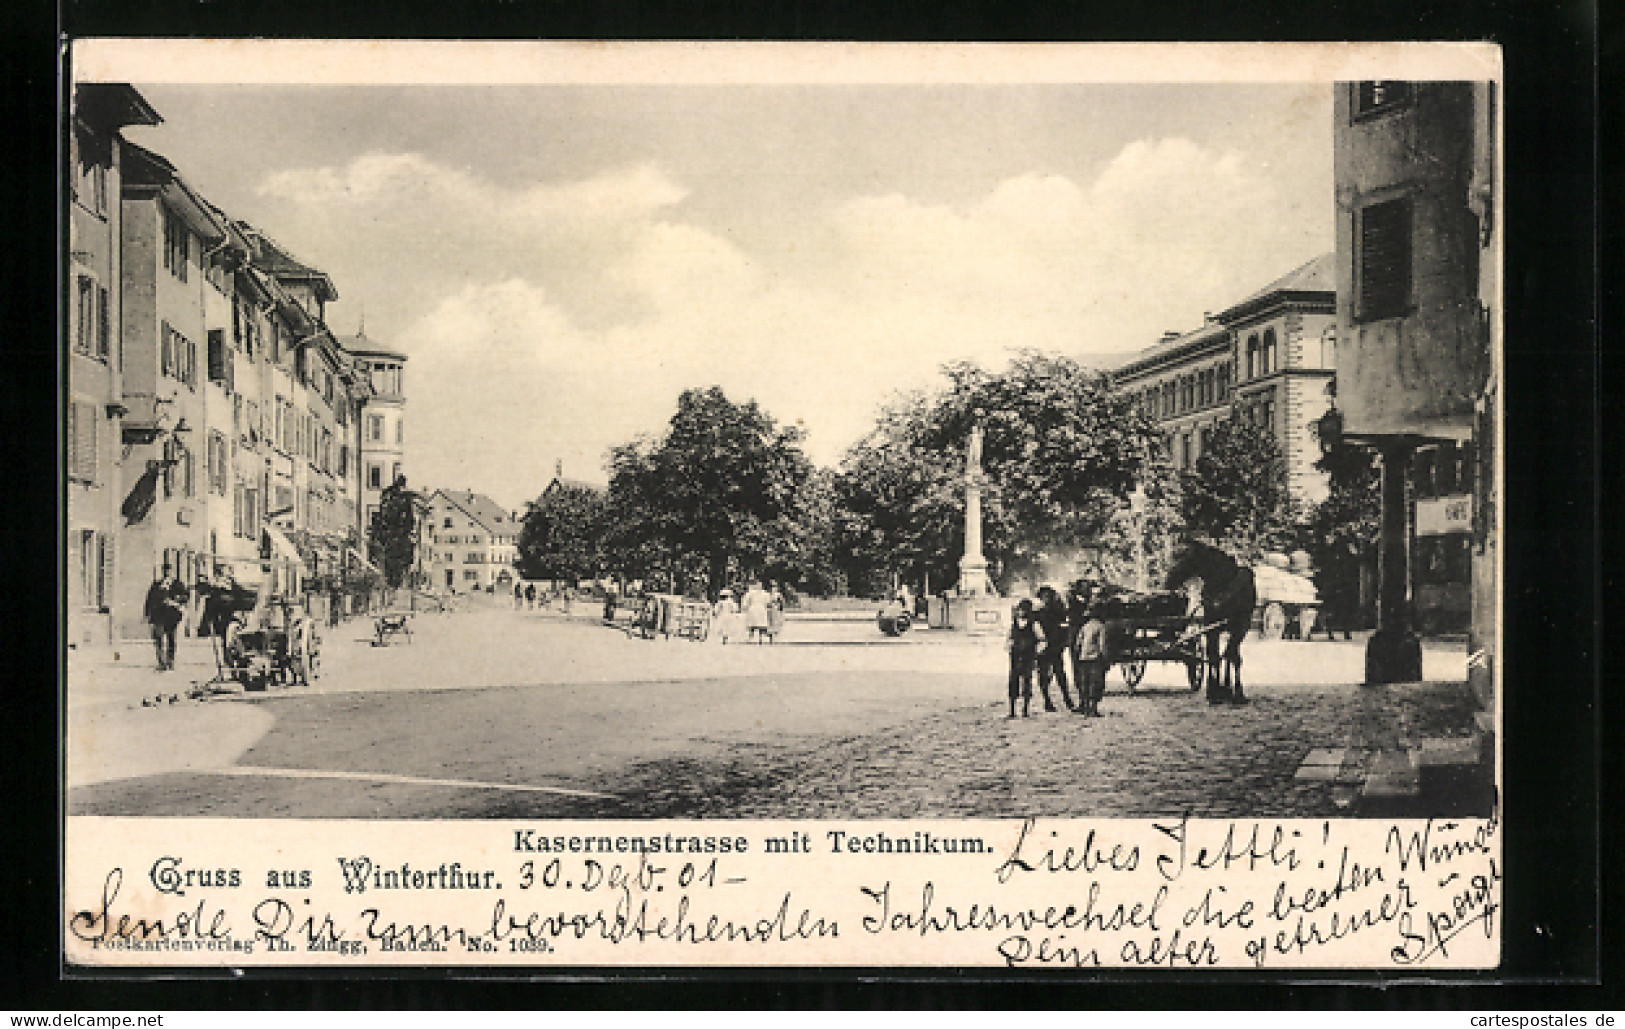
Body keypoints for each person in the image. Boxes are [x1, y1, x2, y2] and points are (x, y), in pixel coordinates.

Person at [1034, 585, 1074, 712]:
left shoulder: (1058, 612)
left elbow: (1064, 628)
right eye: (1044, 597)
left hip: (1055, 647)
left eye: (1049, 596)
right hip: (1043, 647)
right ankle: (1047, 700)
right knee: (1044, 675)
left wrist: (1062, 642)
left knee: (1060, 673)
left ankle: (1067, 698)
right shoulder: (1037, 613)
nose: (1047, 599)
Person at [144, 564, 188, 671]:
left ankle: (170, 661)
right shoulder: (156, 585)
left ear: (172, 572)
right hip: (158, 615)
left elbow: (185, 597)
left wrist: (176, 600)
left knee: (171, 638)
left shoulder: (177, 584)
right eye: (165, 571)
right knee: (158, 637)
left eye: (169, 571)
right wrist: (147, 614)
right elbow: (149, 599)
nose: (167, 573)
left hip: (172, 615)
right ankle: (161, 662)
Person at [1006, 598, 1044, 718]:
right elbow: (1009, 639)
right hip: (1016, 655)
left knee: (1027, 681)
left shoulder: (1034, 625)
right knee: (1013, 681)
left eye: (1023, 610)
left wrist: (1036, 652)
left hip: (1028, 656)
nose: (1021, 612)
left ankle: (1025, 709)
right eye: (1019, 610)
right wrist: (1010, 648)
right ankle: (1012, 709)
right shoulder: (1013, 625)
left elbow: (1042, 640)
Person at [1073, 592, 1109, 718]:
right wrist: (1105, 658)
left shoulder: (1085, 626)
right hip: (1095, 659)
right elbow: (1102, 645)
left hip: (1083, 658)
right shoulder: (1101, 627)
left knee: (1085, 683)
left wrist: (1079, 655)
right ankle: (1093, 709)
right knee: (1096, 683)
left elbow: (1077, 644)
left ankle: (1085, 707)